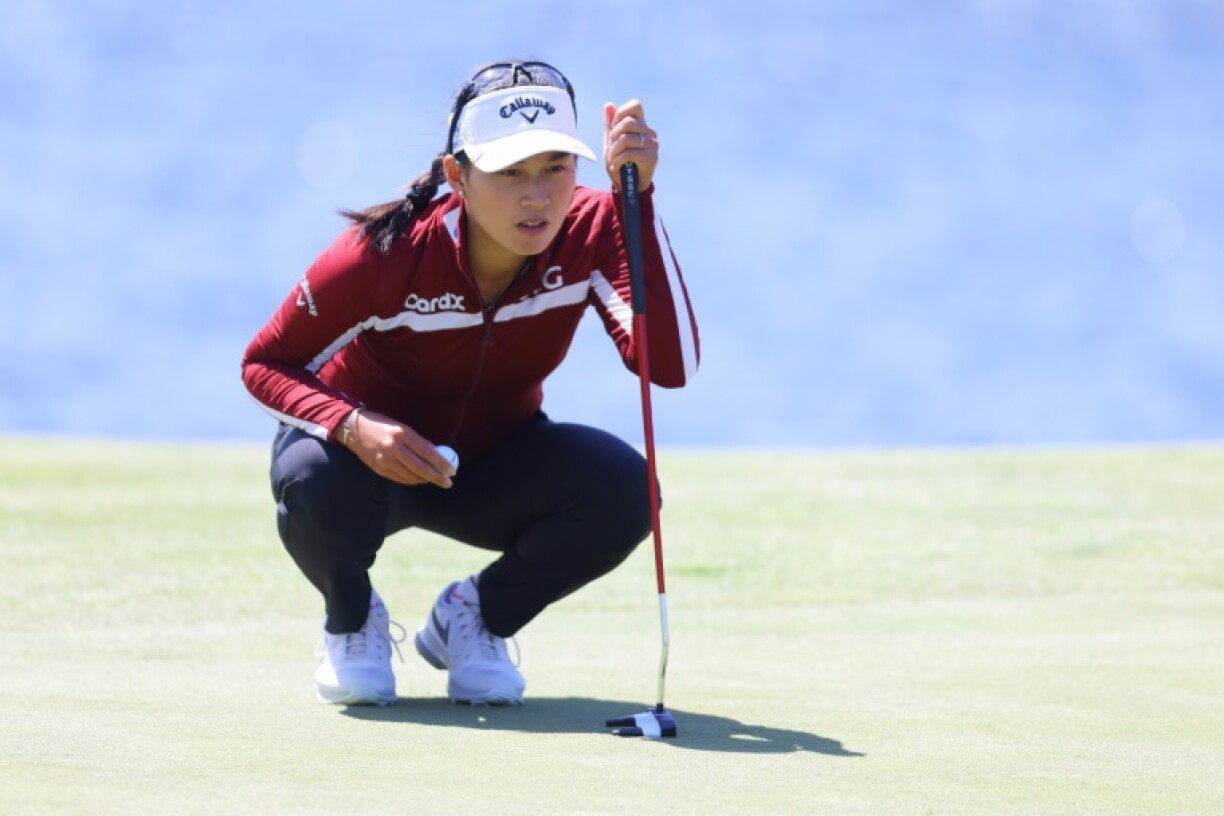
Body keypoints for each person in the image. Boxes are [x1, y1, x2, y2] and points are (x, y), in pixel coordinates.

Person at [240, 59, 700, 707]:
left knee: (624, 490)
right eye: (510, 172)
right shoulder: (385, 254)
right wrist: (352, 426)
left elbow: (669, 365)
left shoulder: (592, 230)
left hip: (495, 463)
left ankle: (473, 618)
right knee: (311, 478)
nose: (536, 196)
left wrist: (639, 202)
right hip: (367, 467)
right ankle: (351, 621)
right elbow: (264, 365)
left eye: (554, 168)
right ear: (458, 175)